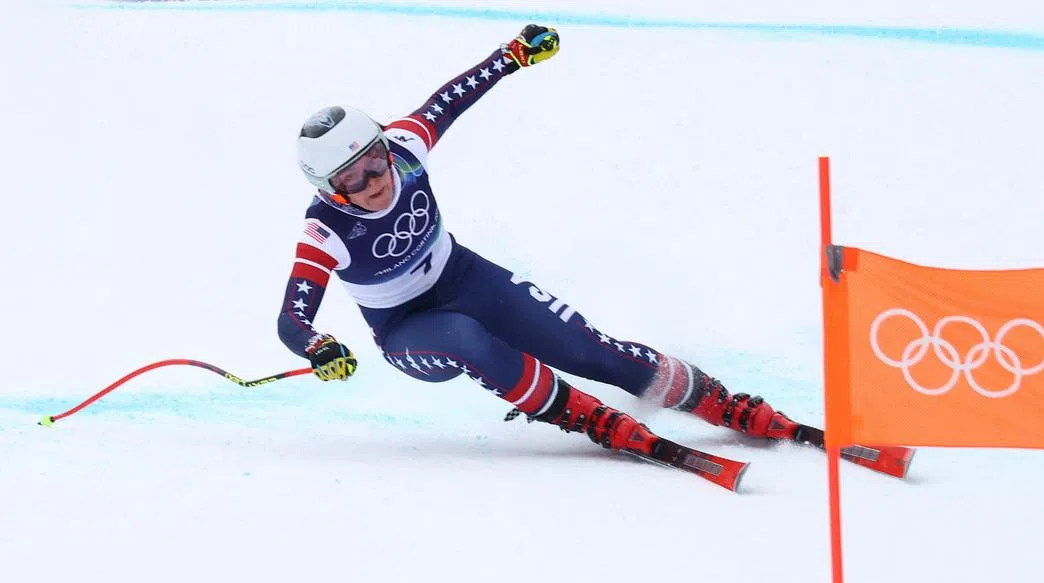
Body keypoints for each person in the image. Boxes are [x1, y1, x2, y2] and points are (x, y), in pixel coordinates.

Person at [279, 24, 801, 456]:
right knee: (465, 337)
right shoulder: (324, 231)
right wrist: (316, 345)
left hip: (463, 276)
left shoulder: (405, 148)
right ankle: (589, 418)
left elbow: (450, 99)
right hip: (406, 331)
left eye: (374, 160)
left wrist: (511, 56)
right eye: (353, 178)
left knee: (589, 349)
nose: (375, 181)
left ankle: (720, 403)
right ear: (330, 190)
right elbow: (291, 318)